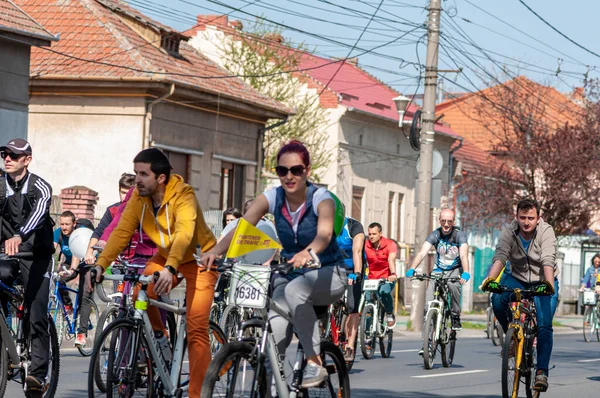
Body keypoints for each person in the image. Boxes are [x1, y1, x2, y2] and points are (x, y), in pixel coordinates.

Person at [201, 140, 346, 388]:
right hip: (291, 275)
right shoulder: (272, 197)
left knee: (294, 291)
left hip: (328, 273)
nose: (289, 176)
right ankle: (272, 386)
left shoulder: (321, 198)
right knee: (272, 337)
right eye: (282, 170)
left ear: (307, 170)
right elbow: (242, 228)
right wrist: (215, 252)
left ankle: (314, 363)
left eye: (296, 170)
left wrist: (307, 252)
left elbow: (324, 235)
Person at [85, 148, 216, 397]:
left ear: (161, 178)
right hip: (167, 257)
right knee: (139, 293)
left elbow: (184, 234)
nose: (137, 180)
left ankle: (198, 394)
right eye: (136, 173)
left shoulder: (184, 195)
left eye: (143, 174)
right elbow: (122, 232)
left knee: (197, 328)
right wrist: (101, 264)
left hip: (199, 259)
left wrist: (170, 267)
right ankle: (160, 338)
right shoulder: (138, 197)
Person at [481, 198, 558, 392]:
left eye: (530, 218)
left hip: (542, 280)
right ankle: (512, 339)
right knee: (497, 299)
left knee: (544, 326)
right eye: (522, 217)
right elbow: (500, 256)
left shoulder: (546, 231)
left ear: (538, 218)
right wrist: (491, 280)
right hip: (517, 277)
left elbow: (548, 258)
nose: (526, 222)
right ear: (516, 217)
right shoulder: (509, 231)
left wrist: (548, 284)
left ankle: (541, 372)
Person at [0, 138, 54, 394]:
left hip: (37, 255)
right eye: (4, 154)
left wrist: (20, 235)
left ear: (27, 160)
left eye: (13, 155)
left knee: (36, 312)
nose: (7, 158)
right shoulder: (0, 185)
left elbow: (40, 212)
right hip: (7, 254)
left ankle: (38, 375)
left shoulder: (40, 186)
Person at [405, 208, 470, 333]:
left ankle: (455, 316)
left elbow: (463, 255)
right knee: (429, 302)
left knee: (453, 285)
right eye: (443, 221)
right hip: (438, 269)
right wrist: (412, 268)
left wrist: (466, 271)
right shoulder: (435, 234)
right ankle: (427, 340)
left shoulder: (459, 235)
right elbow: (422, 252)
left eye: (449, 222)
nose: (446, 224)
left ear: (453, 222)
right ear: (439, 220)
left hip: (454, 269)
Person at [83, 173, 135, 262]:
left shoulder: (144, 210)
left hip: (138, 260)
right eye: (123, 192)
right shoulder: (113, 210)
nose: (126, 196)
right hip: (115, 261)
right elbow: (99, 232)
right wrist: (89, 253)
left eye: (129, 193)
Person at [336, 216, 365, 362]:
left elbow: (357, 251)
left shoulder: (354, 226)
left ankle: (350, 346)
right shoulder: (324, 224)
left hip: (352, 269)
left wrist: (357, 272)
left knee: (352, 307)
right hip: (333, 267)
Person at [219, 198, 278, 264]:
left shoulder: (268, 224)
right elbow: (221, 242)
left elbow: (273, 246)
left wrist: (267, 262)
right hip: (237, 263)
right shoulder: (234, 223)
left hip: (260, 263)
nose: (263, 216)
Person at [364, 222, 398, 328]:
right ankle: (368, 336)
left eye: (374, 234)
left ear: (380, 234)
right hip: (371, 278)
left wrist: (392, 274)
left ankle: (389, 313)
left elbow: (391, 259)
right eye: (369, 234)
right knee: (368, 303)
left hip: (386, 277)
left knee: (384, 292)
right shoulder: (365, 245)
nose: (371, 237)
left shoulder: (390, 244)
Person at [53, 210, 78, 311]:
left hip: (83, 263)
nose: (64, 227)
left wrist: (72, 269)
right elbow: (51, 249)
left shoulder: (77, 234)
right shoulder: (58, 233)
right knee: (57, 279)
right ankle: (68, 305)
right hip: (68, 262)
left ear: (74, 224)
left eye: (67, 224)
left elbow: (77, 254)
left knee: (84, 292)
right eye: (62, 224)